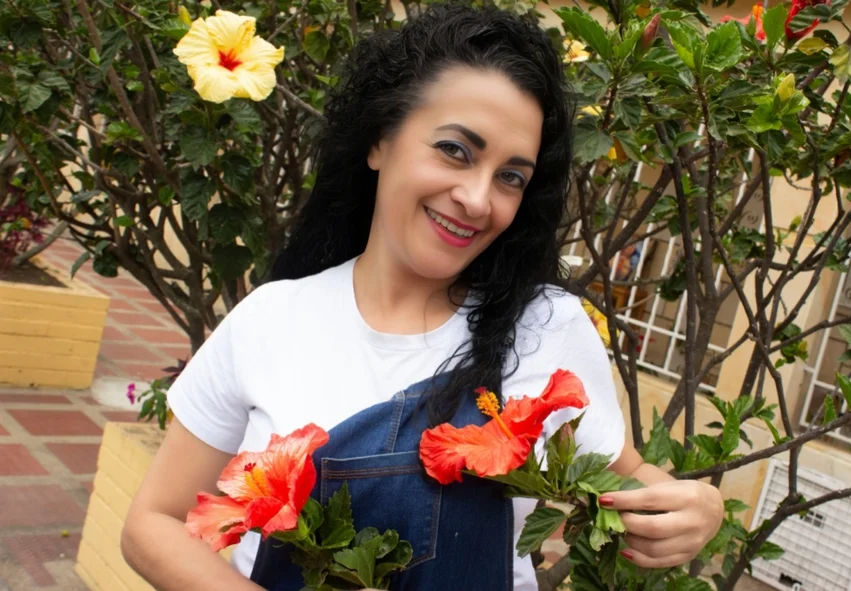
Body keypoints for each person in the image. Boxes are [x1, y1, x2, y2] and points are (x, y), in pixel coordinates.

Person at [121, 3, 724, 590]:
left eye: (510, 177)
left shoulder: (548, 326)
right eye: (455, 150)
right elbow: (154, 521)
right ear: (379, 141)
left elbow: (632, 483)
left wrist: (696, 509)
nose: (478, 200)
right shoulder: (271, 320)